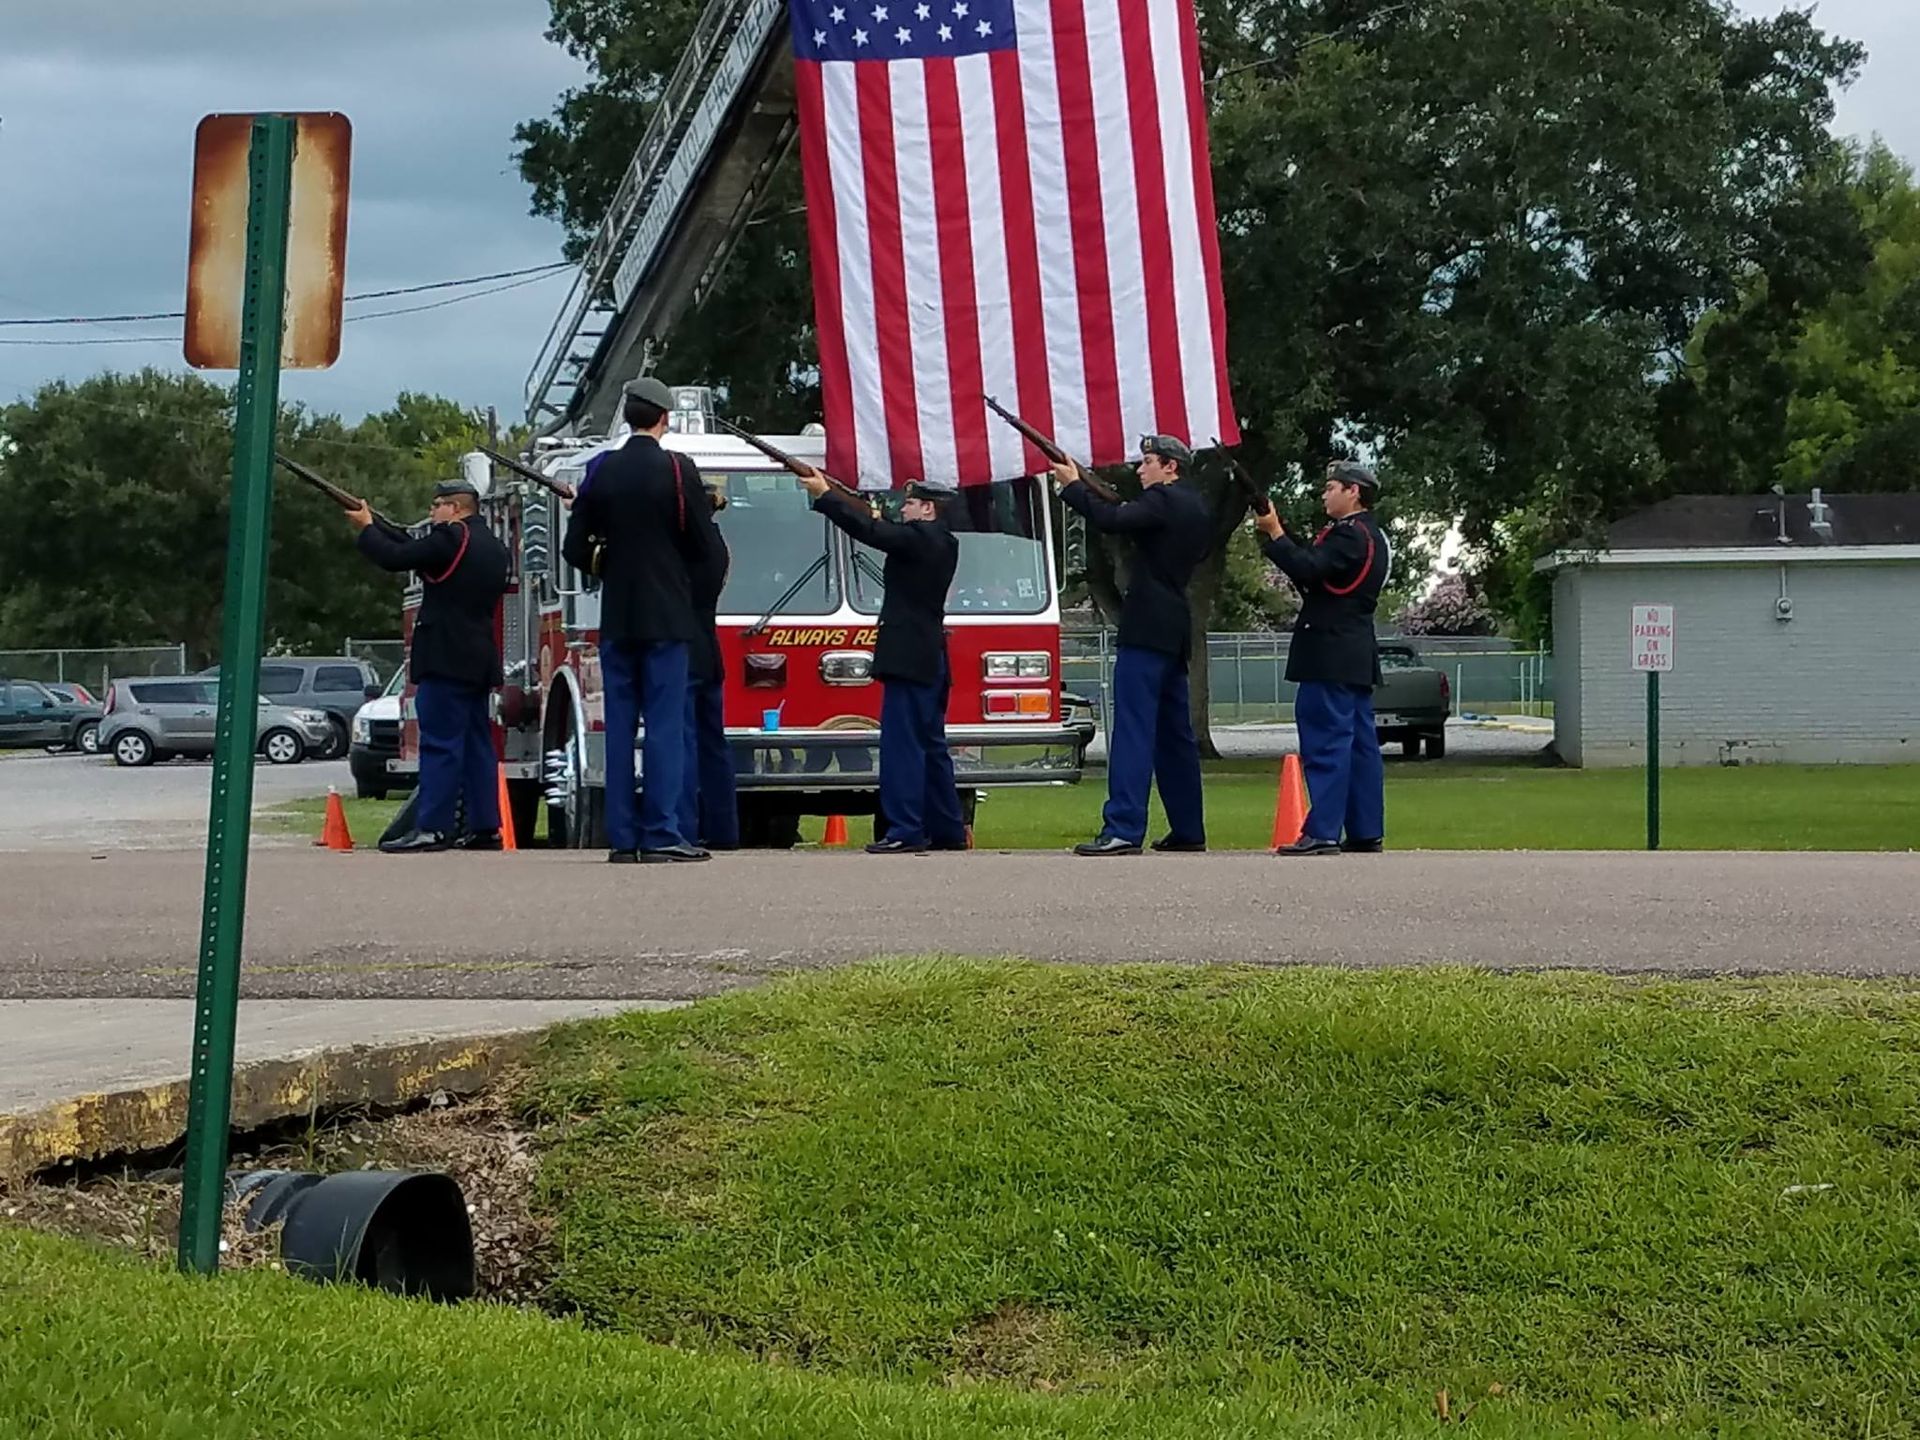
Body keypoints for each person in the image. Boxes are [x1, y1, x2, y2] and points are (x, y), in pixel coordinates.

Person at [563, 375, 724, 863]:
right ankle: (661, 832)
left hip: (618, 615)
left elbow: (575, 547)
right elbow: (700, 543)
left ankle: (623, 836)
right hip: (668, 615)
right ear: (664, 417)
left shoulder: (600, 469)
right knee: (664, 727)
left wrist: (608, 560)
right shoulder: (678, 470)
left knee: (618, 728)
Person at [1054, 436, 1213, 857]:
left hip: (1145, 625)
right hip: (1174, 626)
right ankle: (1187, 826)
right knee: (1174, 735)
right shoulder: (1196, 506)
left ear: (1170, 467)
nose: (1140, 471)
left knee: (1133, 730)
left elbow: (1111, 519)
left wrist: (1073, 486)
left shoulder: (1162, 500)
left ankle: (1123, 826)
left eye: (1147, 463)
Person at [795, 470, 964, 854]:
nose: (902, 508)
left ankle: (905, 827)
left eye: (909, 503)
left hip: (909, 655)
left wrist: (825, 496)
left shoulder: (923, 540)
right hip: (928, 655)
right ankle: (946, 827)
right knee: (931, 745)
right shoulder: (940, 541)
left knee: (903, 744)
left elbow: (872, 532)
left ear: (927, 508)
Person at [348, 477, 510, 853]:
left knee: (440, 744)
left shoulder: (452, 537)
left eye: (437, 505)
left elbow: (396, 558)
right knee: (476, 745)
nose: (431, 512)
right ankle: (486, 826)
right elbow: (419, 551)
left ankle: (433, 827)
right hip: (477, 655)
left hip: (445, 656)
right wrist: (383, 527)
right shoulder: (492, 545)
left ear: (455, 508)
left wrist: (367, 528)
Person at [1256, 461, 1393, 855]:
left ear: (1354, 491)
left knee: (1327, 743)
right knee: (1360, 747)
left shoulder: (1350, 535)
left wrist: (1276, 534)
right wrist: (1278, 532)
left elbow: (1311, 569)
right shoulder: (1368, 535)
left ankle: (1324, 830)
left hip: (1330, 651)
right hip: (1352, 652)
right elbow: (1319, 568)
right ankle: (1365, 828)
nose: (1325, 493)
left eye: (1332, 487)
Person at [680, 482, 739, 850]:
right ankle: (723, 826)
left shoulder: (686, 548)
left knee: (683, 741)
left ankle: (684, 826)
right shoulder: (717, 545)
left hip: (682, 649)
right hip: (707, 648)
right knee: (713, 744)